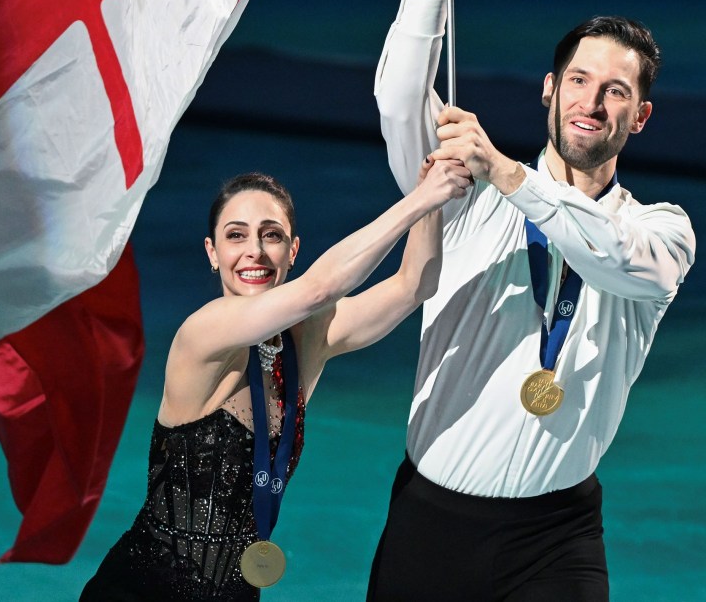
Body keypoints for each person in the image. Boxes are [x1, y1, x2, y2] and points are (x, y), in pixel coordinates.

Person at [365, 0, 697, 601]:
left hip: (555, 541)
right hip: (429, 522)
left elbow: (603, 252)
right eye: (578, 80)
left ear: (638, 117)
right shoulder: (465, 191)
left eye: (614, 91)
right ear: (549, 89)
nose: (591, 101)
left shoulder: (661, 231)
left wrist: (509, 174)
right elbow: (399, 100)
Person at [81, 159, 471, 601]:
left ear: (293, 249)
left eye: (272, 235)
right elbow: (318, 290)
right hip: (141, 591)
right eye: (236, 235)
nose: (255, 251)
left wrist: (430, 197)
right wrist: (420, 198)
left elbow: (413, 285)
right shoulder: (202, 333)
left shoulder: (305, 342)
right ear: (212, 253)